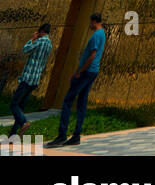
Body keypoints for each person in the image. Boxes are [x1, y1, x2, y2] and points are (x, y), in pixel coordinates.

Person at [47, 12, 106, 147]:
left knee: (68, 101)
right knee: (81, 102)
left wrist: (79, 71)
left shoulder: (97, 35)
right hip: (92, 72)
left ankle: (62, 135)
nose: (89, 25)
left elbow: (92, 55)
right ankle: (76, 135)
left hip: (87, 72)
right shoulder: (103, 33)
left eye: (90, 22)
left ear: (94, 21)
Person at [10, 22, 52, 135]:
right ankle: (13, 135)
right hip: (35, 80)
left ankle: (24, 123)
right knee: (21, 106)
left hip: (27, 78)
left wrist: (32, 39)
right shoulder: (49, 45)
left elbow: (25, 50)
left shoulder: (39, 41)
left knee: (13, 104)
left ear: (41, 32)